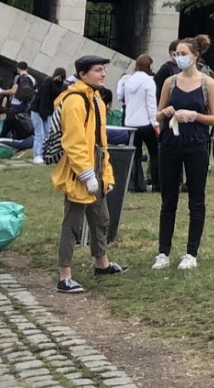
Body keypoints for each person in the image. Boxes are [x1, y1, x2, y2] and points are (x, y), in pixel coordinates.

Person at [53, 55, 125, 293]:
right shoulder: (76, 100)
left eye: (104, 70)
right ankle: (65, 275)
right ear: (83, 74)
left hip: (96, 164)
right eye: (97, 70)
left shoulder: (95, 98)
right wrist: (86, 173)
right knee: (72, 222)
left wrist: (106, 174)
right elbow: (73, 142)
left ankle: (101, 262)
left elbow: (100, 142)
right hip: (79, 168)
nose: (103, 74)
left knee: (100, 217)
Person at [154, 36, 214, 270]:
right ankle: (163, 252)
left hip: (196, 143)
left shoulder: (207, 83)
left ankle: (191, 253)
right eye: (176, 54)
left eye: (183, 53)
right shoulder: (170, 82)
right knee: (168, 200)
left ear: (195, 56)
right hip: (171, 143)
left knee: (196, 199)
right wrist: (166, 112)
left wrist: (193, 116)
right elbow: (157, 113)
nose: (178, 57)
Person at [120, 55, 159, 192]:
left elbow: (125, 100)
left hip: (130, 122)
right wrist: (155, 123)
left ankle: (135, 184)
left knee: (135, 154)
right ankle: (156, 183)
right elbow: (151, 104)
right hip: (145, 122)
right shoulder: (149, 82)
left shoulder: (128, 80)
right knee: (154, 153)